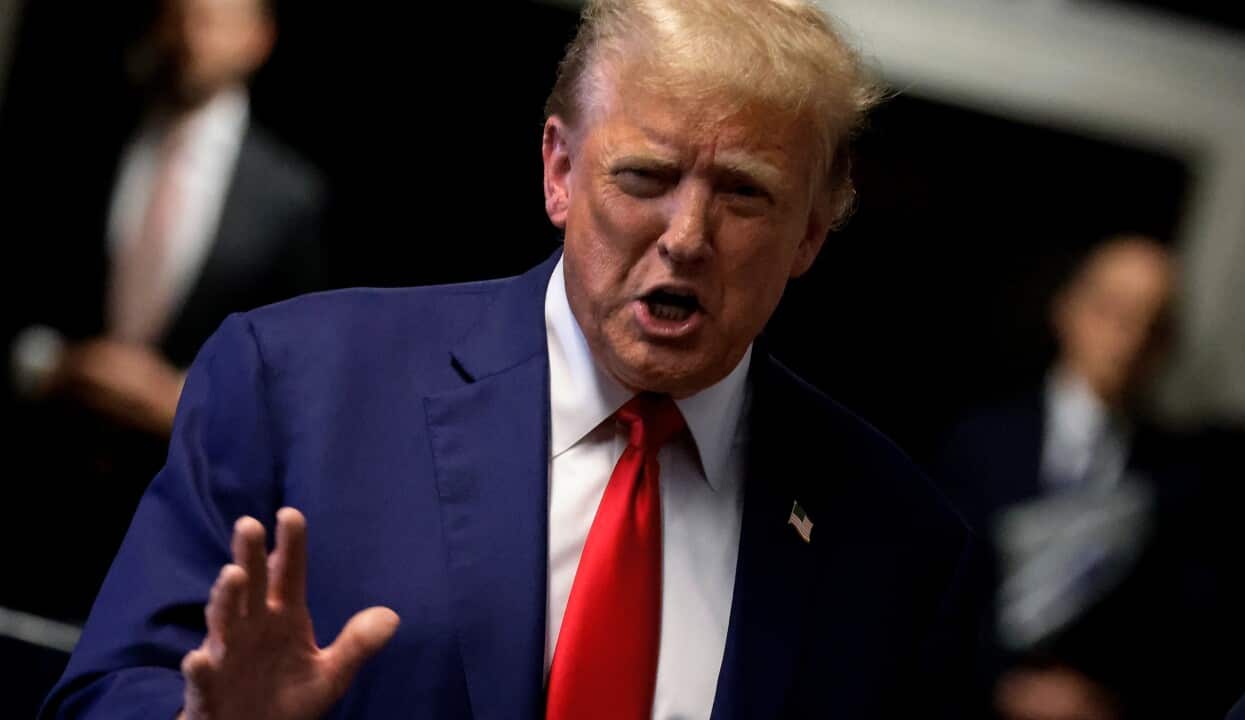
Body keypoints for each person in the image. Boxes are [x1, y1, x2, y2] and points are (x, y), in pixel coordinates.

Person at [42, 1, 976, 718]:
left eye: (744, 194)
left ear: (812, 231)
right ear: (559, 172)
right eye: (644, 177)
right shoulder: (296, 383)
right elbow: (99, 696)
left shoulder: (900, 544)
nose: (687, 236)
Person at [3, 0, 327, 621]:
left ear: (257, 38)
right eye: (179, 14)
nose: (190, 34)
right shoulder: (76, 143)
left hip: (179, 521)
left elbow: (295, 381)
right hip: (39, 487)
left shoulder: (288, 198)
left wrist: (180, 399)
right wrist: (55, 367)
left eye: (213, 19)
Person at [937, 235, 1192, 717]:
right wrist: (1000, 684)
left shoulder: (1175, 477)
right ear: (1068, 308)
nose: (1130, 337)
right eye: (1114, 311)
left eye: (1153, 324)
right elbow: (937, 592)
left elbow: (1172, 629)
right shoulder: (979, 442)